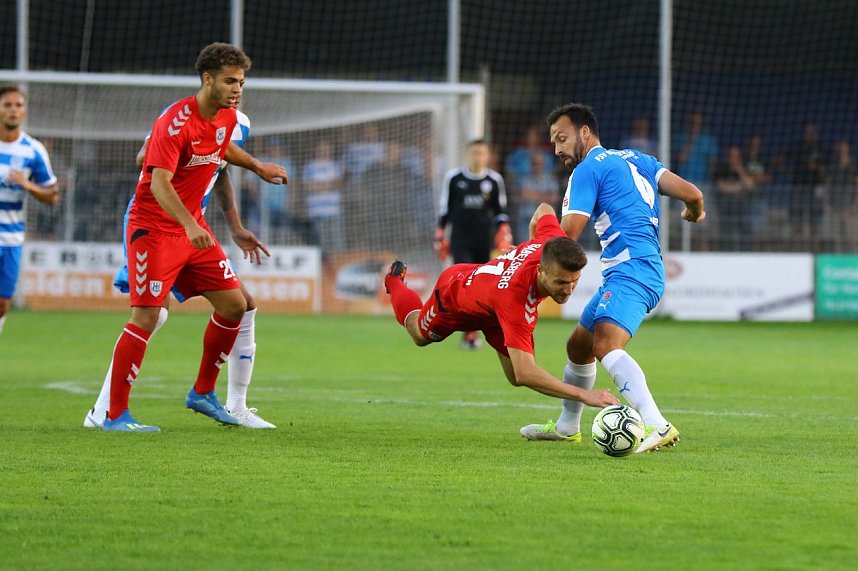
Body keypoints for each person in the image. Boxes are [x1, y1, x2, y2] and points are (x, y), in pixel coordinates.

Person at [99, 43, 287, 432]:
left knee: (236, 305)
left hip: (191, 229)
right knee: (149, 315)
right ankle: (113, 414)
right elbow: (158, 182)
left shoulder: (226, 116)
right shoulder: (174, 122)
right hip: (154, 229)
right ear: (207, 79)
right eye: (230, 81)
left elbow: (222, 149)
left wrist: (256, 166)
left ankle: (203, 393)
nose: (237, 89)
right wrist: (189, 224)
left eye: (241, 82)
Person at [520, 103, 705, 453]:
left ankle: (656, 423)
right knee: (578, 346)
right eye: (553, 141)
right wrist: (693, 213)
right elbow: (693, 194)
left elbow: (567, 236)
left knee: (606, 345)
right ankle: (567, 426)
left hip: (631, 270)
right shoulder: (638, 159)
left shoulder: (587, 170)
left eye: (562, 138)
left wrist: (528, 251)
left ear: (584, 132)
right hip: (639, 268)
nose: (556, 148)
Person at [385, 202, 619, 413]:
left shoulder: (552, 243)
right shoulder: (516, 301)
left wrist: (527, 246)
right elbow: (526, 372)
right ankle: (394, 281)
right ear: (540, 270)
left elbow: (544, 209)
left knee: (514, 377)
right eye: (560, 282)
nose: (569, 290)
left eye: (574, 281)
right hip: (454, 295)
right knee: (419, 334)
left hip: (493, 307)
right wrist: (583, 394)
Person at [435, 138, 512, 349]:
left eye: (481, 153)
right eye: (474, 153)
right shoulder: (454, 178)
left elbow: (500, 211)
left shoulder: (494, 180)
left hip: (483, 239)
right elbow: (445, 208)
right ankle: (468, 331)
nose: (477, 157)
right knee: (463, 281)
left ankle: (476, 328)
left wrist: (503, 230)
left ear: (487, 156)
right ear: (467, 155)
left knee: (481, 285)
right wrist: (440, 234)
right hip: (460, 238)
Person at [0, 86, 59, 336]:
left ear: (24, 111)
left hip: (11, 238)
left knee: (2, 304)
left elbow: (52, 195)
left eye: (18, 105)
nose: (13, 110)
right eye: (7, 105)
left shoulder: (33, 150)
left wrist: (27, 185)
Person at [674, 110, 718, 250]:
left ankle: (703, 251)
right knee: (683, 221)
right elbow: (681, 159)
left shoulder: (708, 140)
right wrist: (691, 139)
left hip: (703, 184)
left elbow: (713, 163)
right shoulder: (681, 138)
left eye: (697, 122)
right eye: (692, 122)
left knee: (702, 222)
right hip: (683, 184)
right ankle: (683, 250)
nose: (694, 125)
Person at [713, 145, 757, 251]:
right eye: (731, 156)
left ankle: (747, 252)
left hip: (743, 207)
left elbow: (750, 186)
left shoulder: (746, 168)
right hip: (726, 207)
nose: (734, 158)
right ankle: (726, 252)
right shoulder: (722, 169)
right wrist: (740, 186)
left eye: (736, 156)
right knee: (726, 233)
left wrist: (740, 170)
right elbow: (721, 187)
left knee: (746, 232)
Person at [827, 139, 858, 253]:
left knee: (851, 238)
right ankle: (838, 261)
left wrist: (855, 205)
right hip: (834, 207)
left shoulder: (854, 166)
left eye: (843, 147)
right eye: (839, 147)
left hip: (849, 208)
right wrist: (827, 204)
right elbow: (828, 185)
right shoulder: (833, 166)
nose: (841, 150)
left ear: (848, 149)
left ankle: (854, 260)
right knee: (836, 240)